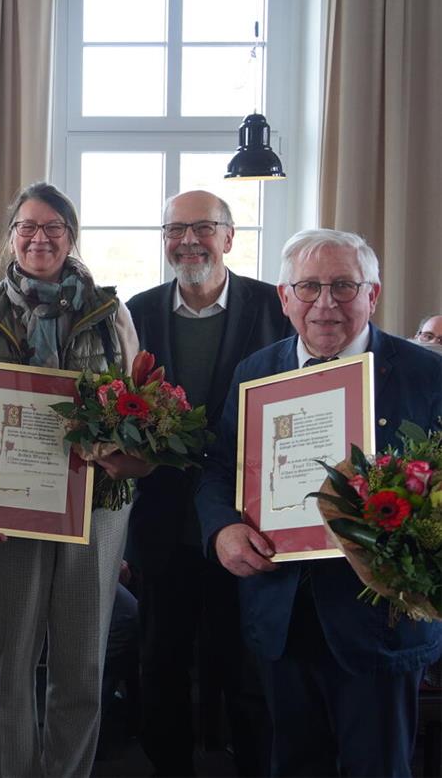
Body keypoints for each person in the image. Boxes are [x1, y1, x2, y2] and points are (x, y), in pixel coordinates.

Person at [196, 228, 442, 776]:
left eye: (343, 286)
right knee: (292, 765)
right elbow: (219, 470)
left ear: (372, 295)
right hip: (281, 616)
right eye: (308, 287)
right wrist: (222, 531)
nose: (324, 304)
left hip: (380, 624)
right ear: (284, 297)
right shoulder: (257, 372)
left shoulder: (427, 374)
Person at [0, 181, 149, 776]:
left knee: (82, 663)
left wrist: (119, 453)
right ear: (11, 237)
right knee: (10, 662)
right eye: (27, 227)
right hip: (7, 509)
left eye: (53, 228)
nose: (39, 238)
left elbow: (137, 404)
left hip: (97, 503)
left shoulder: (111, 313)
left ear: (71, 236)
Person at [126, 190, 289, 775]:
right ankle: (169, 766)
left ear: (229, 235)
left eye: (202, 227)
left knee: (247, 663)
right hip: (163, 522)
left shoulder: (276, 305)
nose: (187, 240)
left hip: (252, 521)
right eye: (174, 229)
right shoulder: (135, 313)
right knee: (161, 660)